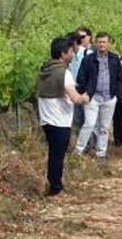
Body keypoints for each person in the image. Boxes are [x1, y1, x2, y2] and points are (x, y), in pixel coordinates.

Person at [36, 37, 89, 197]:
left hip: (46, 120)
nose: (73, 54)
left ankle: (54, 184)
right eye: (71, 51)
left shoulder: (44, 70)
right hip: (59, 121)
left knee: (53, 154)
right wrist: (85, 97)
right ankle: (55, 187)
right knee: (57, 156)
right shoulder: (64, 73)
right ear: (63, 54)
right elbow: (75, 98)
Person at [75, 32, 122, 159]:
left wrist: (116, 94)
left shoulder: (114, 59)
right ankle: (78, 152)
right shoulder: (88, 59)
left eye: (104, 42)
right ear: (96, 43)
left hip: (109, 97)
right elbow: (81, 78)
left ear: (108, 43)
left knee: (104, 127)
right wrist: (84, 92)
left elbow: (119, 78)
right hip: (92, 97)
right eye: (100, 42)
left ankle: (100, 153)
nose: (102, 44)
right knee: (89, 124)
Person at [69, 27, 94, 132]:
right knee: (77, 119)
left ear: (74, 43)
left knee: (89, 120)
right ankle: (81, 145)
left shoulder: (88, 54)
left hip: (86, 91)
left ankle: (93, 145)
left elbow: (94, 76)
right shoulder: (71, 56)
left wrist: (89, 92)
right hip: (74, 90)